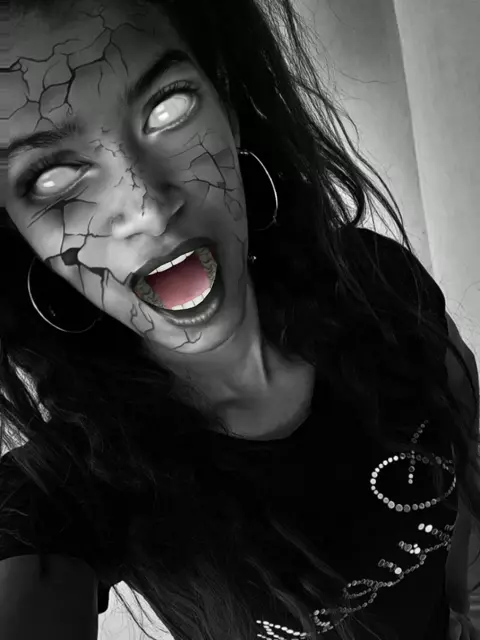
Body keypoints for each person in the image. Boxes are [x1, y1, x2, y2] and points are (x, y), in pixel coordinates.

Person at [1, 1, 479, 639]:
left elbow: (465, 435)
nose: (148, 208)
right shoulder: (71, 484)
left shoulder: (376, 280)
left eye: (168, 107)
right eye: (53, 177)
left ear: (226, 102)